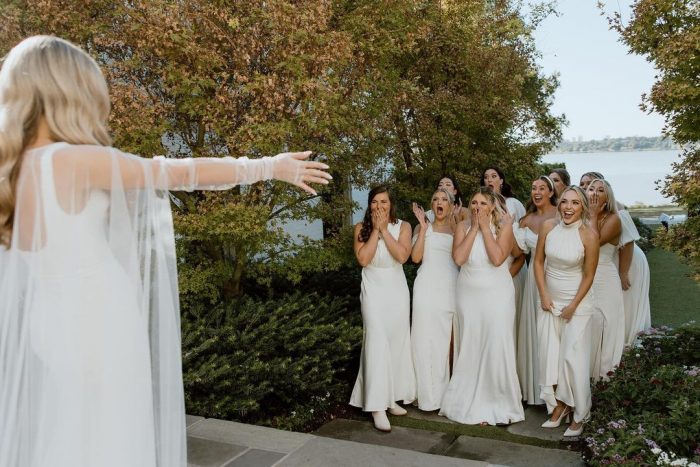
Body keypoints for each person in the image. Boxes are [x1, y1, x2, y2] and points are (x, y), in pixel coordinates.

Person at [0, 36, 332, 467]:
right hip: (98, 322)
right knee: (111, 438)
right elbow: (175, 172)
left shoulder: (12, 170)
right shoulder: (73, 160)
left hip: (51, 326)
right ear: (69, 92)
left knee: (70, 430)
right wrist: (269, 166)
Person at [439, 188, 524, 425]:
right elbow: (458, 258)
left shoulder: (504, 226)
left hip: (497, 294)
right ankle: (469, 401)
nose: (477, 207)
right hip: (468, 294)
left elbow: (497, 259)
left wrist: (485, 228)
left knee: (495, 344)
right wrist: (474, 228)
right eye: (474, 203)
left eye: (483, 204)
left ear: (492, 206)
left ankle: (497, 402)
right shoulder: (462, 227)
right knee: (472, 343)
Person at [534, 186, 600, 437]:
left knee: (573, 359)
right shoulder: (548, 227)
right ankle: (560, 406)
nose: (568, 207)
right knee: (551, 355)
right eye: (564, 202)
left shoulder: (588, 235)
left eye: (574, 203)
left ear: (582, 206)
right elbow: (539, 262)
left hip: (578, 304)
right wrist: (543, 294)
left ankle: (580, 413)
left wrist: (573, 305)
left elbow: (589, 274)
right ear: (559, 204)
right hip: (550, 302)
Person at [350, 186, 415, 432]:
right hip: (373, 289)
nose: (380, 206)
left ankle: (391, 397)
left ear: (391, 204)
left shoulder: (404, 227)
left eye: (384, 202)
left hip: (396, 289)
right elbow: (364, 260)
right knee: (376, 341)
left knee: (396, 342)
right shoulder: (360, 229)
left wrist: (385, 230)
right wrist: (375, 231)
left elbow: (402, 255)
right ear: (369, 205)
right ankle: (376, 405)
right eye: (375, 202)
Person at [410, 188, 459, 411]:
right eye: (435, 199)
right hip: (425, 285)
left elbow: (462, 258)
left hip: (449, 286)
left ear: (450, 204)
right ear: (432, 205)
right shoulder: (422, 227)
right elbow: (416, 257)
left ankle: (444, 393)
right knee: (421, 339)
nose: (440, 202)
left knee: (445, 340)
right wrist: (423, 229)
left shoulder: (457, 227)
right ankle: (424, 394)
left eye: (444, 199)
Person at [512, 175, 558, 405]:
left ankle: (557, 393)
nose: (537, 192)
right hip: (532, 280)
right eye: (533, 188)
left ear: (551, 192)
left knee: (553, 333)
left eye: (542, 188)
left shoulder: (561, 215)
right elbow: (517, 254)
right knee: (534, 332)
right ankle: (533, 391)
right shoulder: (524, 221)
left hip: (557, 278)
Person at [586, 179, 624, 380]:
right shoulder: (581, 217)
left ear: (607, 197)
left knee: (608, 325)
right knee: (589, 324)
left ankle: (605, 377)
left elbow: (593, 243)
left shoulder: (613, 220)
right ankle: (587, 375)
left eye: (600, 190)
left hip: (605, 279)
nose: (594, 192)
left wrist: (592, 215)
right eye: (591, 188)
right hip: (585, 277)